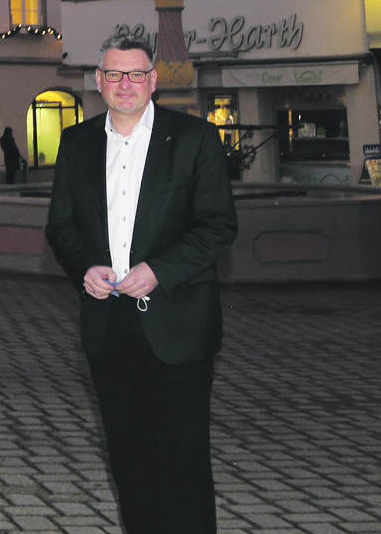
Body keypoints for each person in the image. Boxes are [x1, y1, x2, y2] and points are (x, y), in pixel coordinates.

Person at [44, 34, 236, 534]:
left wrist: (160, 270)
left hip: (179, 322)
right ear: (99, 83)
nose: (124, 84)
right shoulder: (76, 142)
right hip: (109, 325)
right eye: (113, 74)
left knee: (185, 457)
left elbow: (218, 224)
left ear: (153, 81)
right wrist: (84, 266)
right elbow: (61, 226)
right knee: (129, 458)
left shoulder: (194, 138)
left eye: (134, 74)